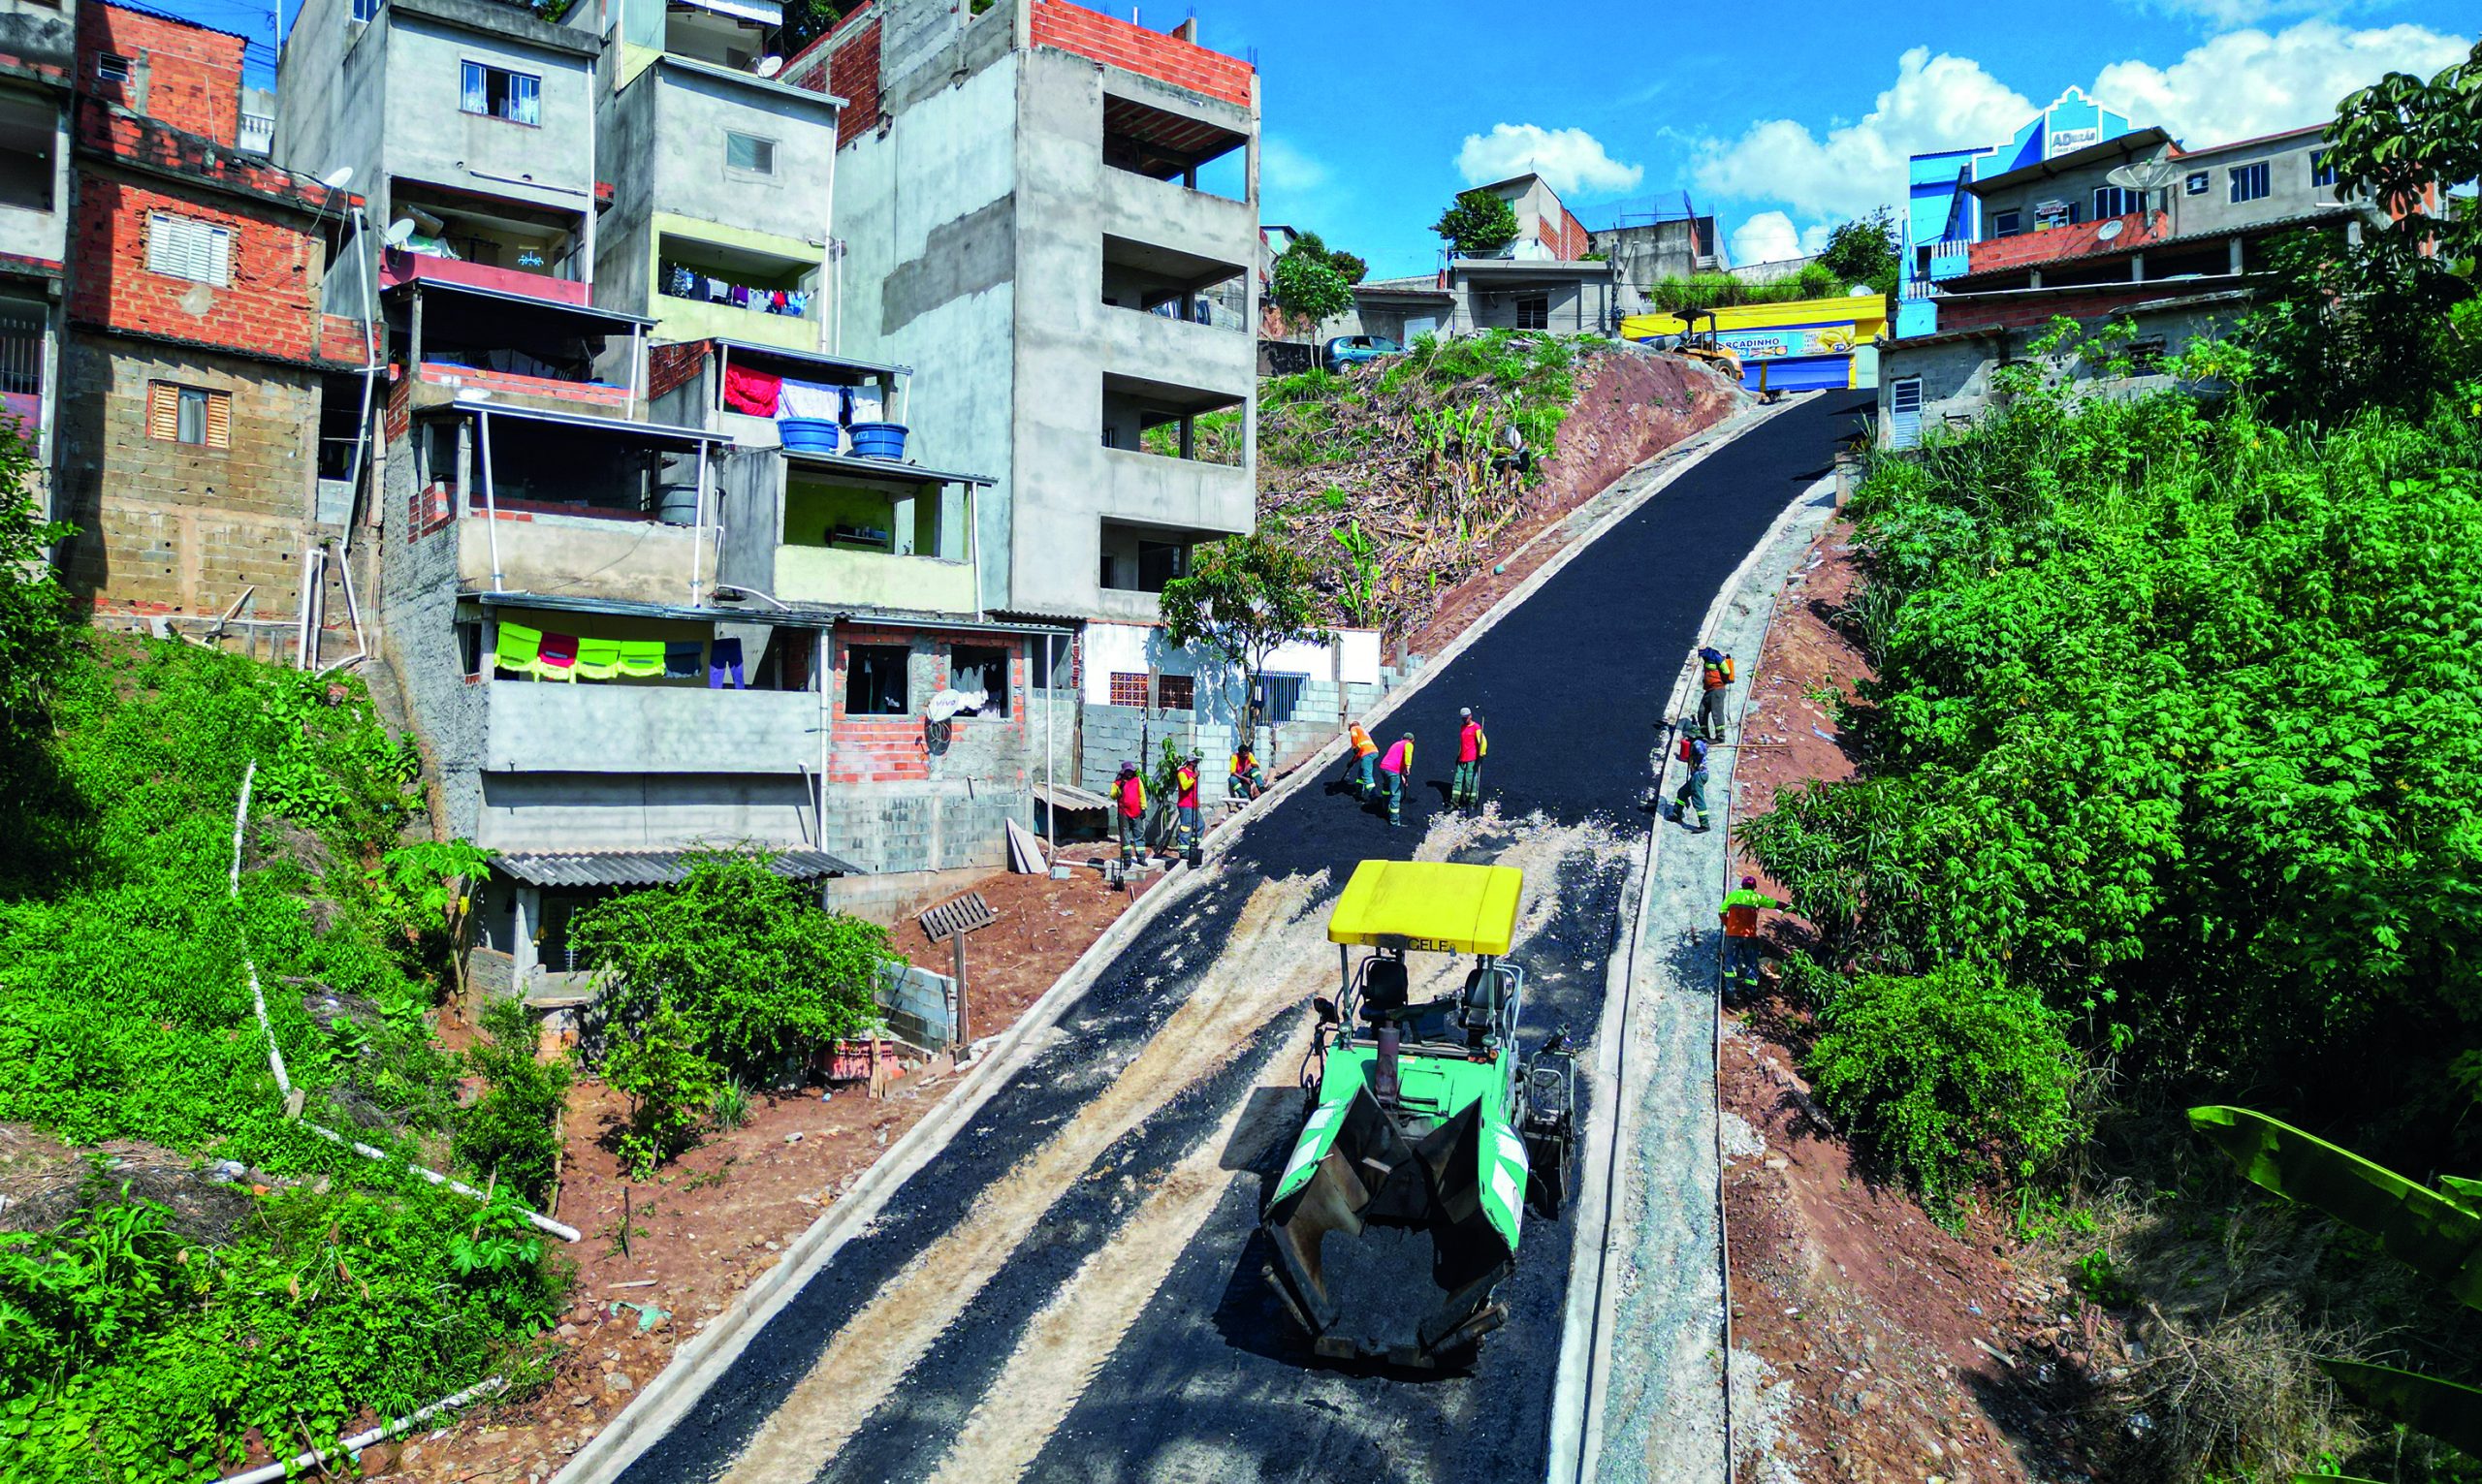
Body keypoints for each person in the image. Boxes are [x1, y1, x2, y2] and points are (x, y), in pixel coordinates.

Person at [1718, 874, 1789, 999]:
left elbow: (1722, 912)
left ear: (1742, 886)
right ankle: (1750, 992)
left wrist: (1728, 924)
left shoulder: (1733, 896)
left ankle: (1730, 993)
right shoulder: (1757, 898)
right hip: (1749, 936)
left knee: (1730, 962)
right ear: (1754, 887)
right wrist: (1792, 908)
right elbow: (1775, 904)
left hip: (1732, 935)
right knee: (1752, 963)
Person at [1668, 727, 1711, 834]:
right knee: (1682, 793)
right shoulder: (1700, 742)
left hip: (1698, 776)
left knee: (1698, 800)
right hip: (1696, 775)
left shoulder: (1697, 743)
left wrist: (1696, 764)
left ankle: (1704, 824)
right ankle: (1677, 814)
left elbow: (1700, 753)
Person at [1696, 647, 1735, 742]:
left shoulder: (1716, 658)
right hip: (1709, 690)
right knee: (1702, 712)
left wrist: (1722, 681)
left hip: (1717, 690)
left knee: (1717, 714)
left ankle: (1720, 738)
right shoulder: (1708, 659)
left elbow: (1726, 671)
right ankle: (1704, 735)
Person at [1452, 708, 1487, 810]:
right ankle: (1455, 802)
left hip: (1472, 759)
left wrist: (1481, 755)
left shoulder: (1476, 728)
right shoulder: (1462, 727)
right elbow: (1462, 743)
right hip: (1462, 759)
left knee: (1470, 780)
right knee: (1457, 780)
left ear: (1470, 716)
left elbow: (1483, 742)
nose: (1464, 719)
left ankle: (1471, 803)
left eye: (1466, 717)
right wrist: (1458, 756)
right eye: (1463, 718)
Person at [1378, 731, 1414, 828]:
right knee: (1396, 793)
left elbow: (1395, 759)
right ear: (1412, 740)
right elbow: (1408, 756)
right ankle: (1394, 821)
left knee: (1386, 789)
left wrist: (1402, 777)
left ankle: (1384, 809)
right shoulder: (1408, 744)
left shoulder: (1396, 744)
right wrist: (1408, 767)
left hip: (1383, 767)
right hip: (1393, 770)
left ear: (1402, 737)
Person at [1113, 760, 1147, 858]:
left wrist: (1143, 808)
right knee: (1125, 835)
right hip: (1123, 813)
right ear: (1123, 772)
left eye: (1131, 771)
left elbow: (1142, 795)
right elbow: (1113, 795)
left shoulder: (1137, 780)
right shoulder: (1117, 783)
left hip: (1137, 812)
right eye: (1127, 771)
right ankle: (1127, 857)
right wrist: (1120, 788)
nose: (1129, 773)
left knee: (1139, 834)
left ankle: (1141, 857)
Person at [1343, 720, 1379, 799]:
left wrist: (1354, 747)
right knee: (1361, 774)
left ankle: (1373, 797)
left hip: (1367, 754)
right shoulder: (1363, 732)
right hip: (1373, 752)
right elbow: (1359, 753)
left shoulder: (1354, 728)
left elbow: (1354, 736)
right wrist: (1352, 761)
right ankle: (1359, 793)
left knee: (1366, 776)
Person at [1174, 751, 1202, 848]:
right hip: (1185, 805)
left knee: (1200, 825)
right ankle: (1184, 850)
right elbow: (1184, 786)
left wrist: (1197, 800)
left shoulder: (1193, 773)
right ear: (1190, 762)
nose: (1196, 764)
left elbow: (1193, 790)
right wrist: (1193, 777)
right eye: (1195, 762)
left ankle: (1194, 845)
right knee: (1186, 827)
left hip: (1193, 803)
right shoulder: (1182, 772)